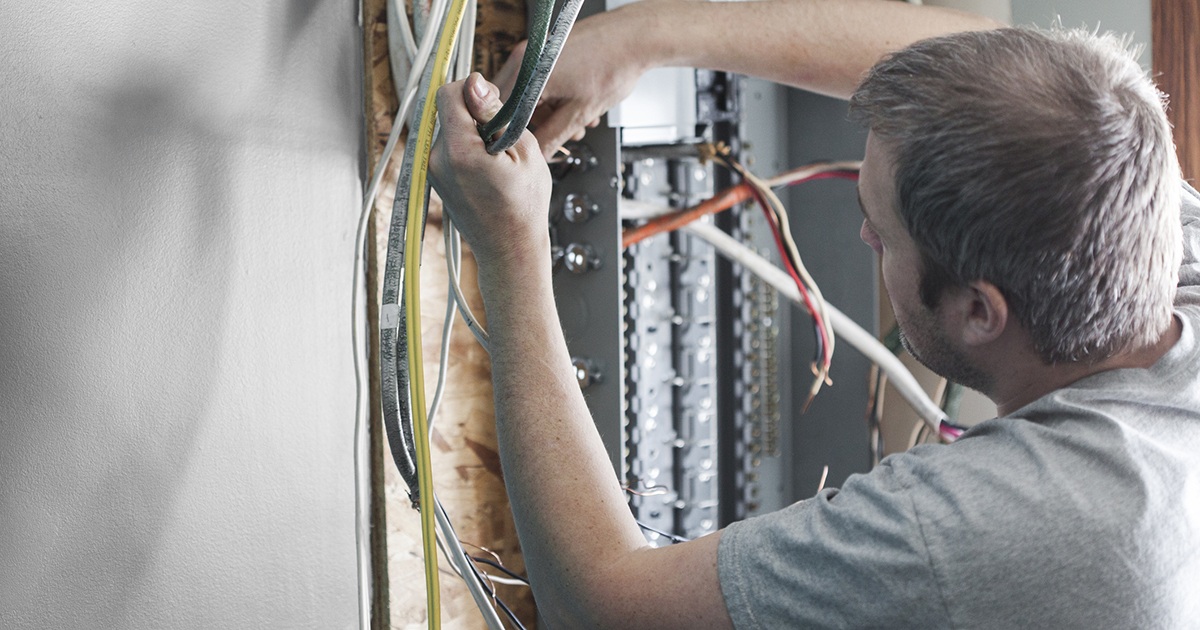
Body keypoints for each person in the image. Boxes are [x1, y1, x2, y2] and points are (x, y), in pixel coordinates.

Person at [427, 2, 1200, 628]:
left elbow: (601, 607)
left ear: (978, 311)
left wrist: (510, 247)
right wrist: (641, 37)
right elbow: (1000, 64)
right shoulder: (1138, 207)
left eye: (881, 230)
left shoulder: (1013, 524)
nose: (861, 234)